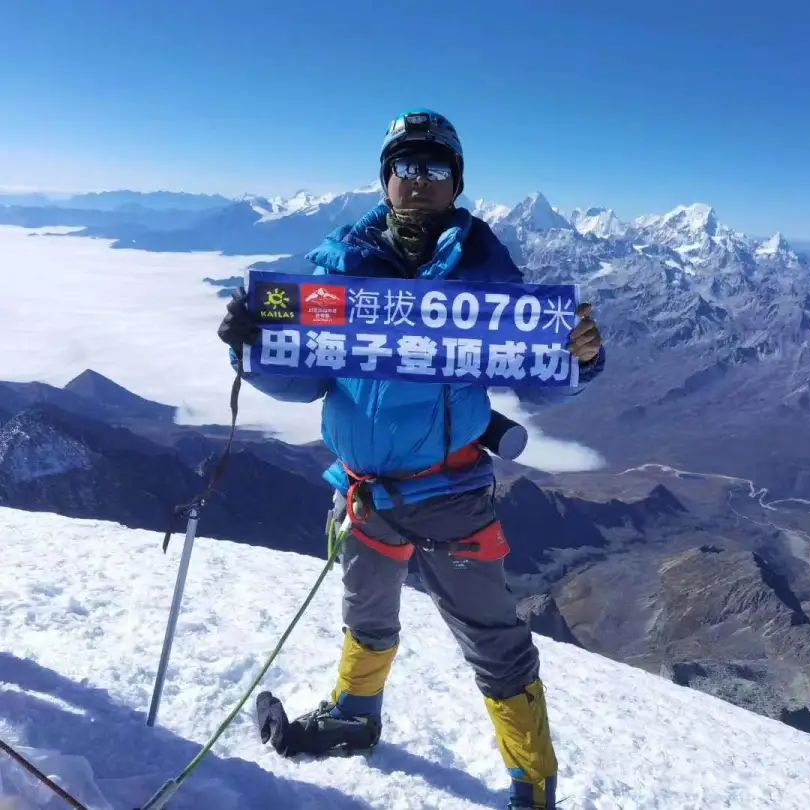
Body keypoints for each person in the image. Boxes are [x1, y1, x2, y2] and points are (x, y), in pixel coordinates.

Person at [217, 108, 604, 810]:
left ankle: (533, 782)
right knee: (366, 615)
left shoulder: (485, 270)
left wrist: (580, 359)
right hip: (363, 492)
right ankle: (356, 717)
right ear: (386, 178)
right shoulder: (338, 263)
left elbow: (535, 374)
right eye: (405, 167)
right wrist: (253, 345)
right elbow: (304, 378)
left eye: (434, 169)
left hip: (450, 491)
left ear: (454, 184)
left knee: (493, 639)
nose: (418, 182)